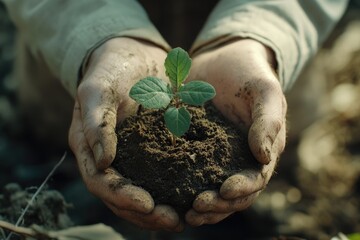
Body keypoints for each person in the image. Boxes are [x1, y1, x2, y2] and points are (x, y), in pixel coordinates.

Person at [2, 0, 348, 232]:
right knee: (90, 143)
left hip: (266, 56)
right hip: (70, 55)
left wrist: (258, 35)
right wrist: (101, 38)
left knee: (262, 150)